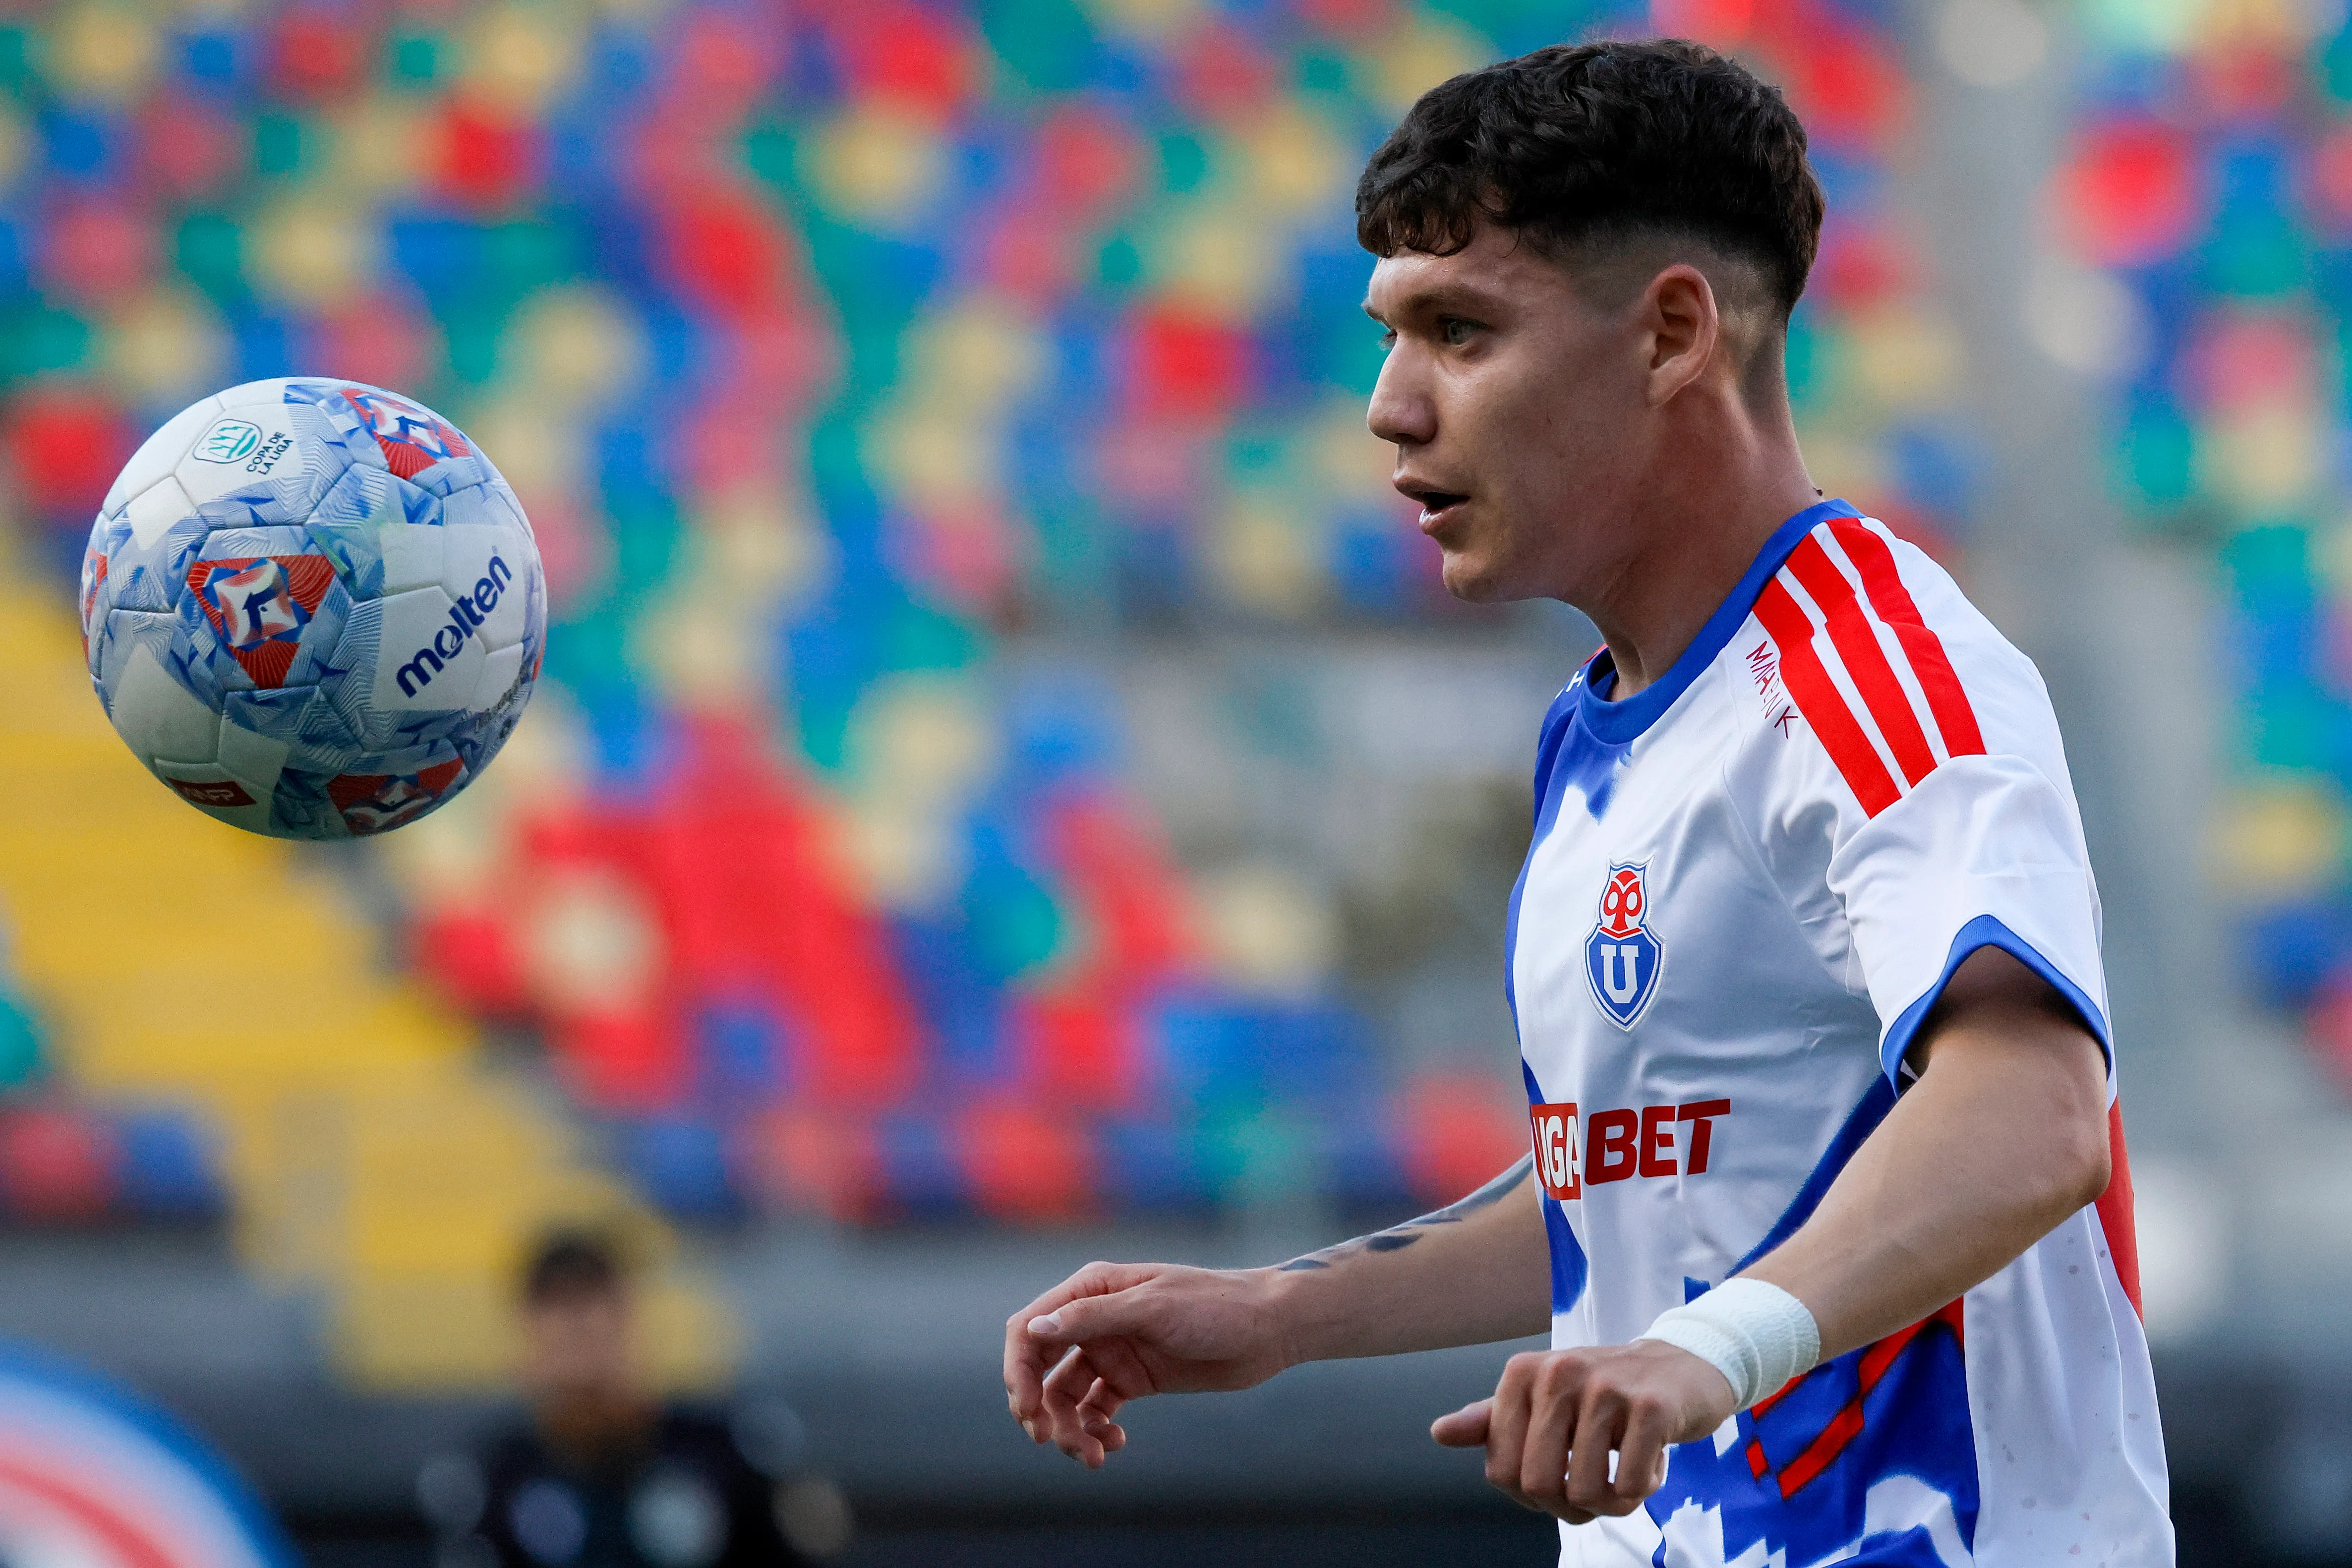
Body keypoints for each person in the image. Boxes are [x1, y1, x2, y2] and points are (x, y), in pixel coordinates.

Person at [1003, 38, 2171, 1566]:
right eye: (1389, 336)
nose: (1390, 408)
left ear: (1672, 332)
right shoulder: (1600, 728)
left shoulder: (1874, 675)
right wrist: (1282, 1313)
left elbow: (2031, 1116)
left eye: (1459, 331)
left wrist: (1704, 1355)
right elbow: (1643, 1179)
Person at [422, 1230, 841, 1568]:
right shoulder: (494, 1479)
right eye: (556, 1304)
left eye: (593, 1300)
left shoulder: (723, 1456)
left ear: (631, 1321)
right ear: (524, 1337)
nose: (578, 1324)